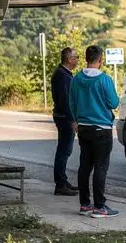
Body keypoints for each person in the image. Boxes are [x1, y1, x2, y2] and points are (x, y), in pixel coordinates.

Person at [69, 45, 120, 218]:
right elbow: (113, 103)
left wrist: (75, 120)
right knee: (100, 166)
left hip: (83, 127)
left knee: (85, 165)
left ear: (86, 59)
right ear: (100, 60)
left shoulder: (76, 79)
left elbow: (72, 102)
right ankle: (99, 206)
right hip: (101, 128)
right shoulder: (104, 79)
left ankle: (85, 204)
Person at [51, 47, 80, 196]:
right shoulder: (63, 76)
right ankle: (60, 184)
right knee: (64, 151)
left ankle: (62, 180)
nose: (77, 60)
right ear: (69, 59)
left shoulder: (63, 73)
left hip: (62, 116)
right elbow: (65, 101)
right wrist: (72, 120)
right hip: (64, 117)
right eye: (76, 57)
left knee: (64, 150)